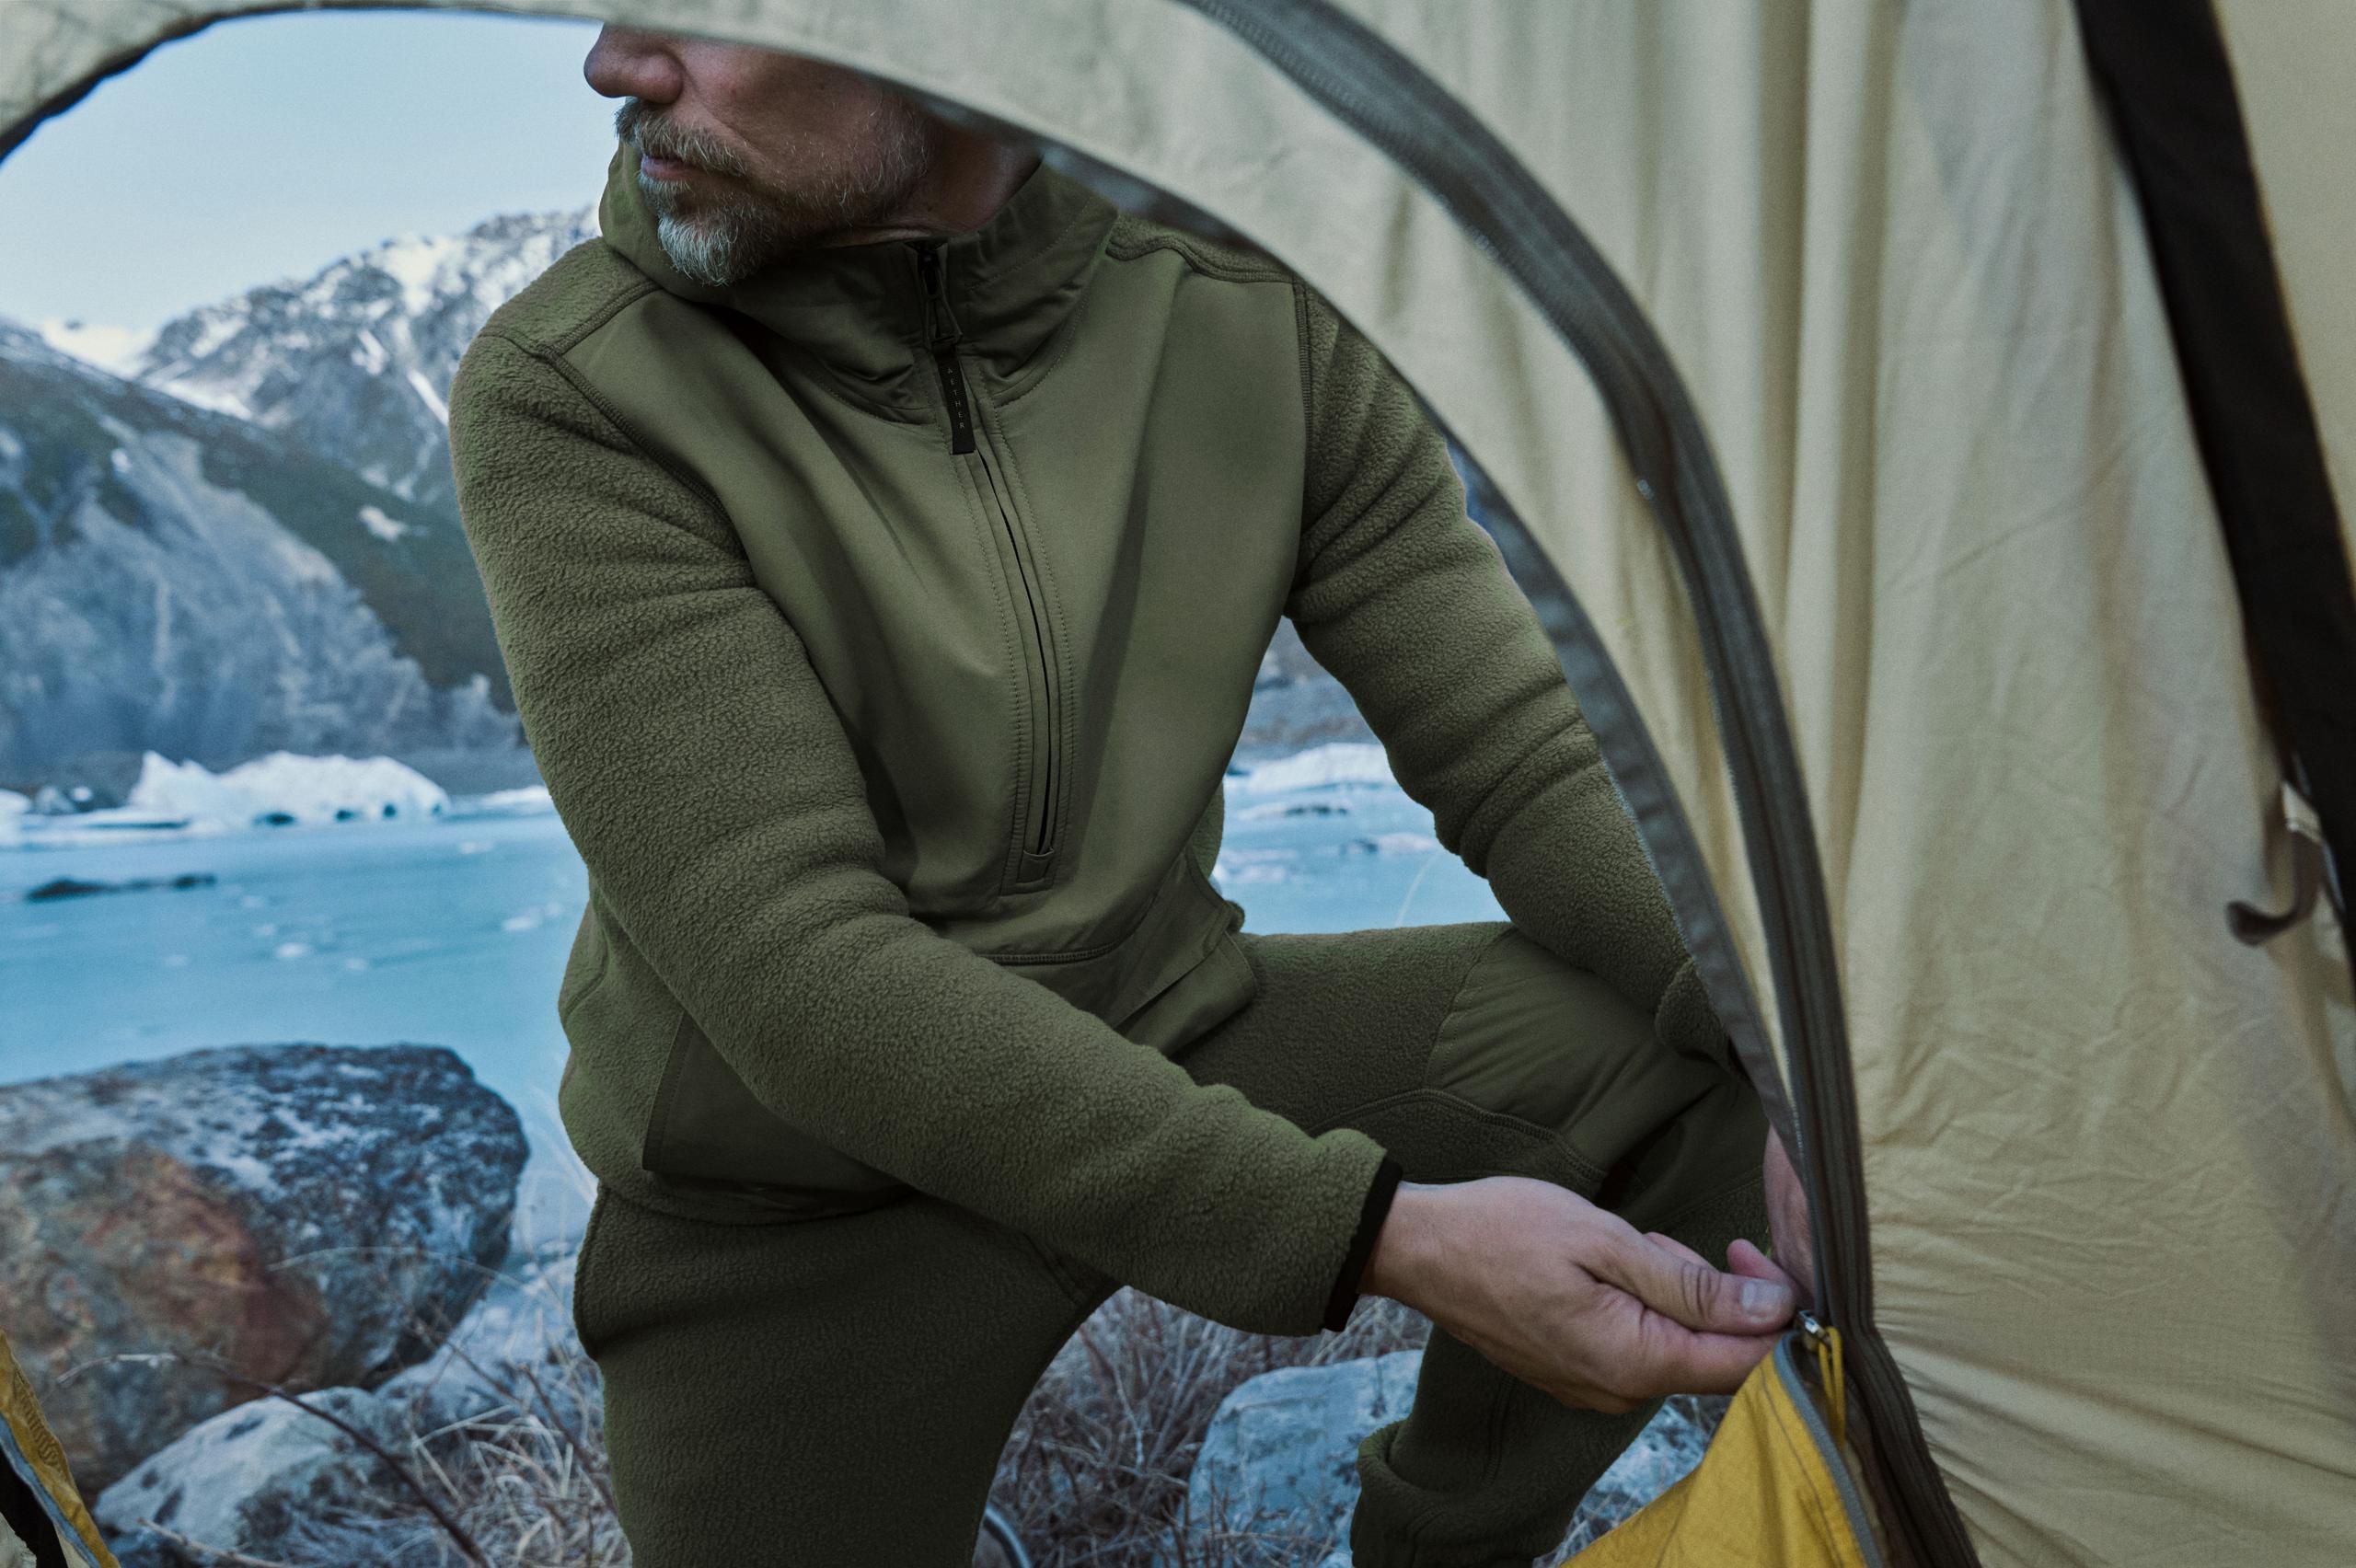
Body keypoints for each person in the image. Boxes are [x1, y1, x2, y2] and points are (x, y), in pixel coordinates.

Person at [447, 27, 1809, 1568]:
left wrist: (1837, 1098)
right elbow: (797, 967)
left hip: (1178, 1028)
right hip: (799, 1196)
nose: (614, 64)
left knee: (1693, 1052)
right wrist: (1382, 1238)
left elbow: (1526, 750)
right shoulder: (572, 388)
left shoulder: (1248, 302)